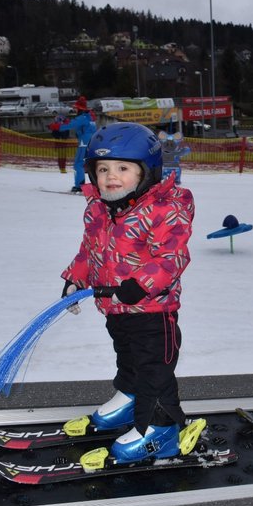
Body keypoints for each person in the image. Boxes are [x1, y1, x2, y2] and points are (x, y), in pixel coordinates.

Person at [60, 122, 195, 464]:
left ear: (146, 172)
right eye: (102, 169)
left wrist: (141, 285)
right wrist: (75, 279)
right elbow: (88, 251)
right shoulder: (99, 209)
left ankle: (164, 429)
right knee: (129, 360)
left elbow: (172, 256)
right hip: (116, 309)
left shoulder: (164, 209)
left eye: (123, 168)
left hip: (153, 311)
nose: (111, 177)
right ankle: (131, 400)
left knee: (154, 370)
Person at [60, 96, 96, 192]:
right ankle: (96, 185)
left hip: (84, 143)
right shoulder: (90, 118)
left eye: (76, 108)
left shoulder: (82, 118)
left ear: (80, 109)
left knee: (78, 164)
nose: (74, 109)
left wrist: (57, 126)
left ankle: (80, 186)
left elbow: (70, 125)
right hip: (93, 141)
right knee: (93, 164)